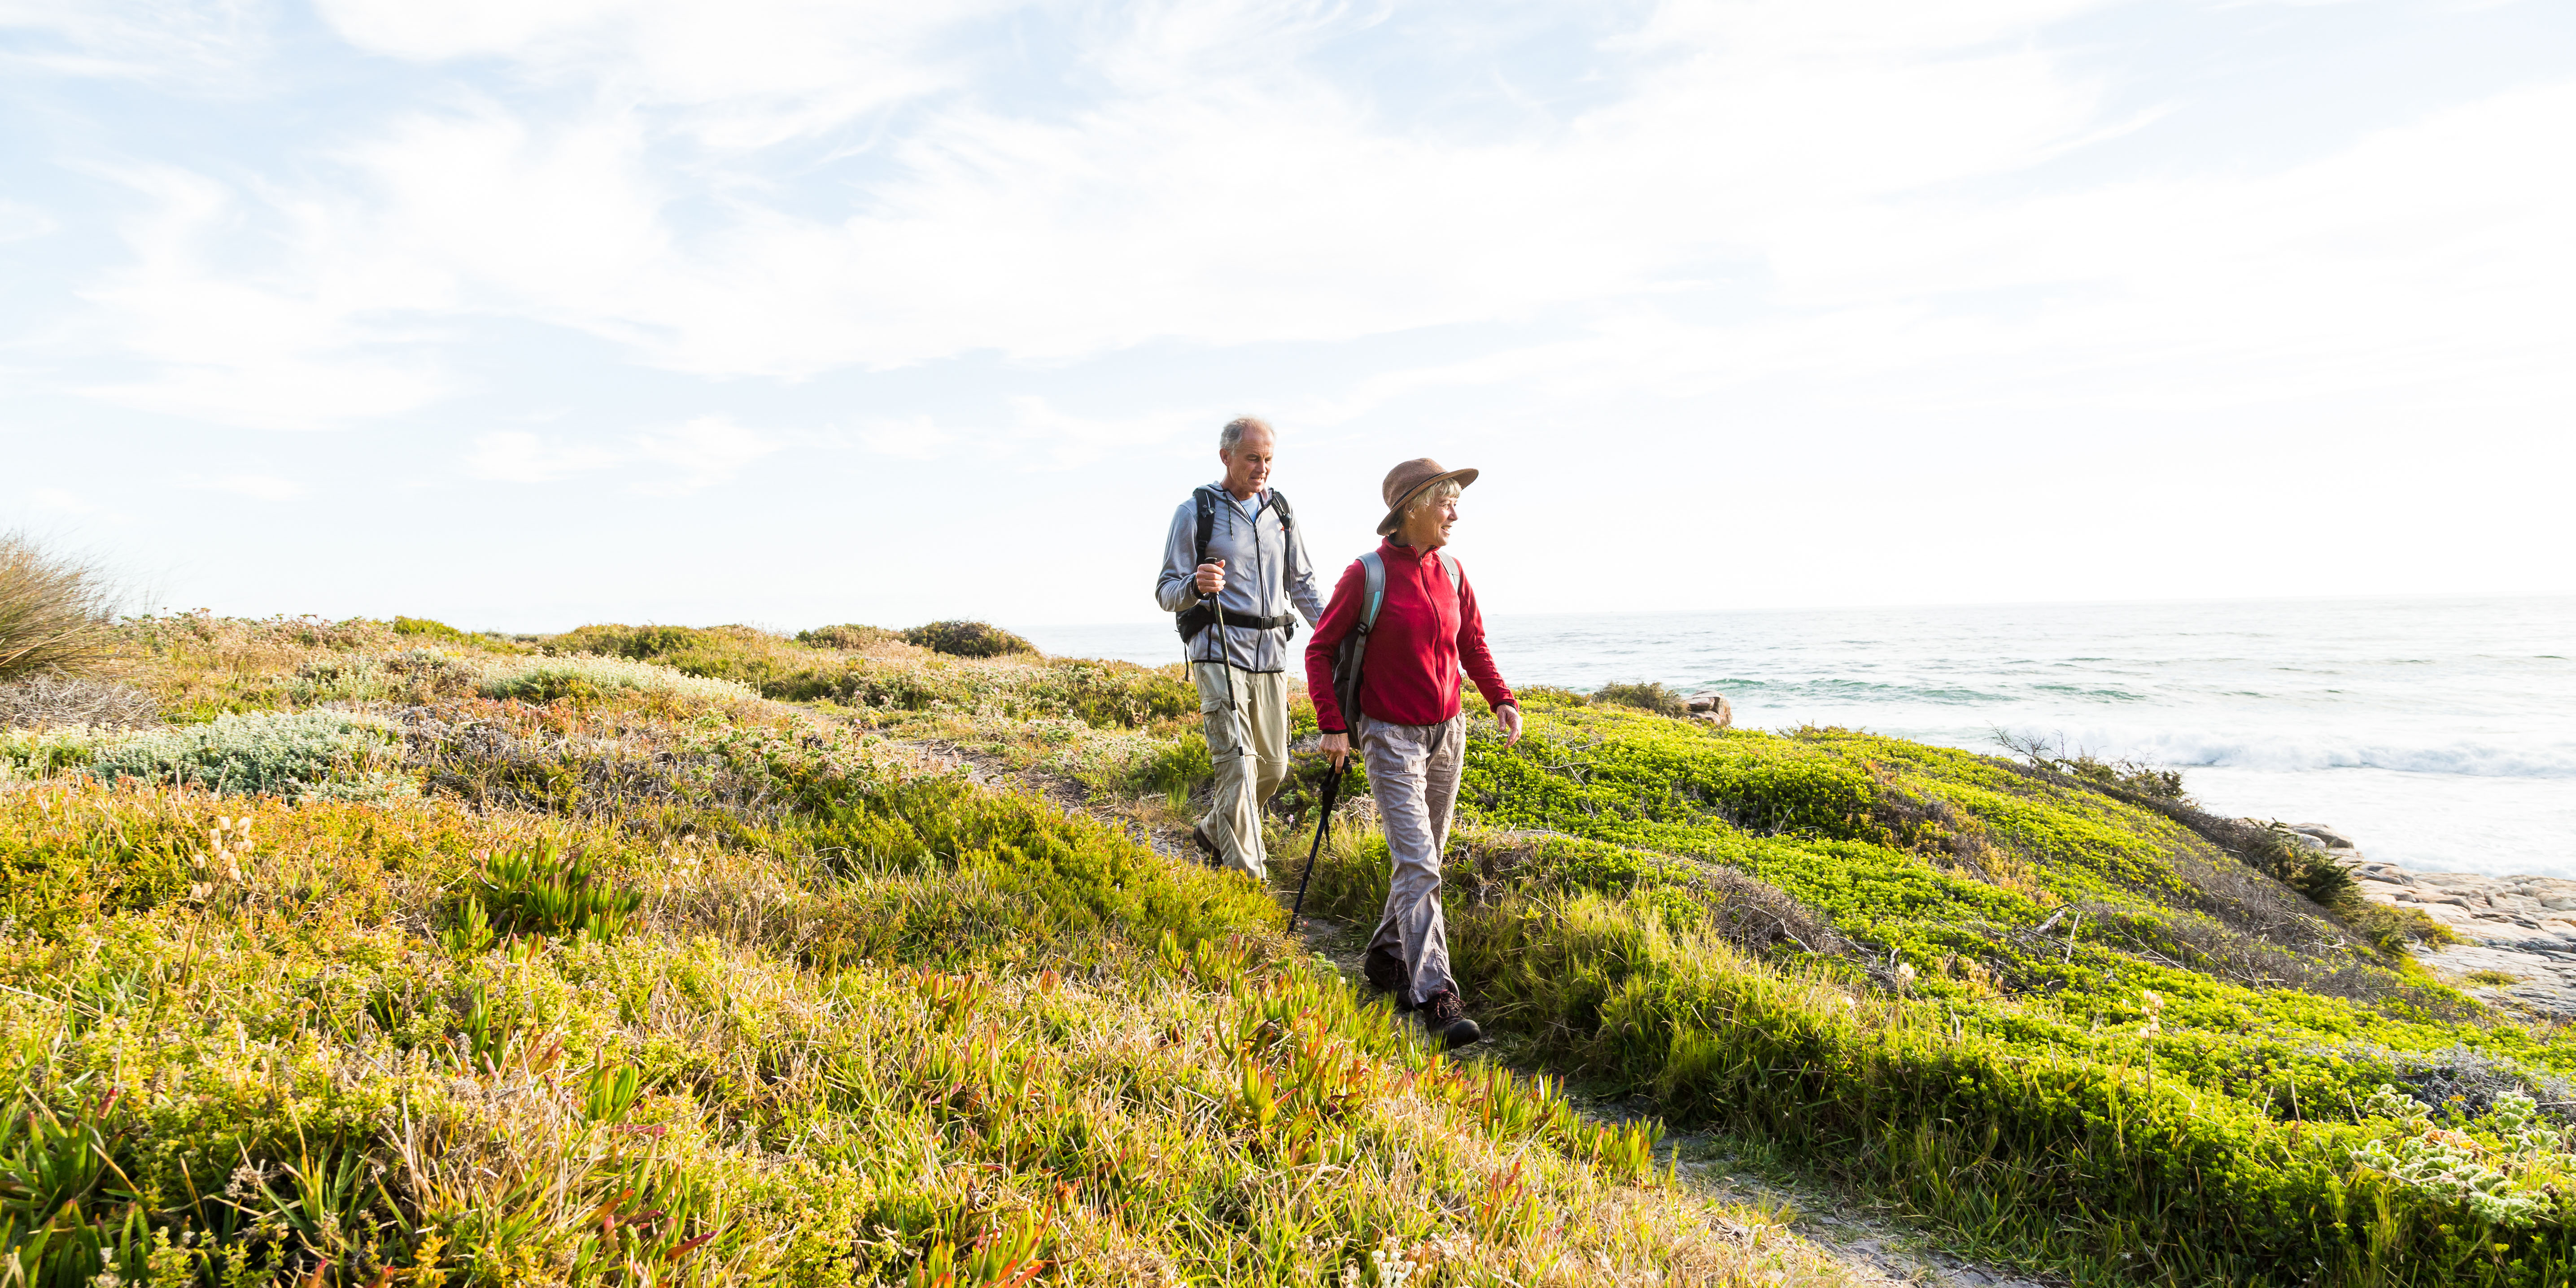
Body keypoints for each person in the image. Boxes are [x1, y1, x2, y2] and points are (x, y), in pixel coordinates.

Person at [1303, 458, 1521, 1049]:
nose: (1455, 512)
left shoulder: (1452, 570)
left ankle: (1384, 955)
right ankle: (1436, 996)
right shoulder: (1366, 574)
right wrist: (1333, 725)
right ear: (1411, 509)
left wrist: (1500, 698)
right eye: (1445, 502)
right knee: (1420, 862)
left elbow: (1471, 643)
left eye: (1455, 501)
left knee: (1421, 859)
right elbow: (1319, 651)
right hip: (1388, 735)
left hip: (1447, 732)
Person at [1155, 416, 1325, 878]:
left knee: (1273, 767)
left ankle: (1212, 829)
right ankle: (1249, 878)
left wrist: (1334, 635)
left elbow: (1303, 584)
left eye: (1269, 459)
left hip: (1271, 655)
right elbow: (1166, 590)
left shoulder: (1281, 513)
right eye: (1253, 458)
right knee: (1239, 768)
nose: (1262, 468)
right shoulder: (1195, 511)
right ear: (1226, 456)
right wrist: (1195, 584)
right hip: (1218, 652)